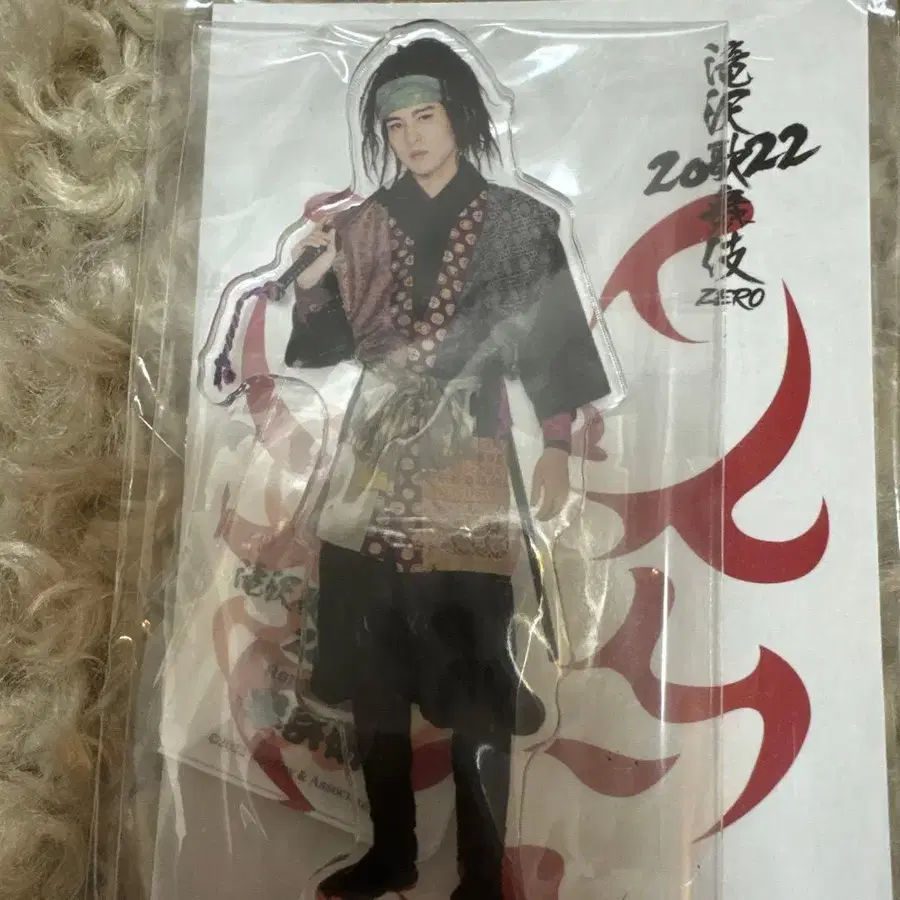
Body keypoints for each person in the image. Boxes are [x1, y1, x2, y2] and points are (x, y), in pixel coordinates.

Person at [283, 35, 611, 900]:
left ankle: (481, 871)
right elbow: (321, 348)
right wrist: (313, 280)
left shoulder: (519, 223)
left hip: (468, 448)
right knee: (373, 661)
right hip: (373, 454)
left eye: (425, 117)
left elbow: (553, 345)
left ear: (459, 118)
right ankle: (390, 851)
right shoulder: (358, 228)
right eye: (396, 126)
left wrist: (558, 445)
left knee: (474, 666)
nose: (412, 138)